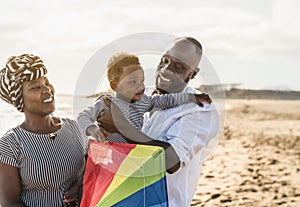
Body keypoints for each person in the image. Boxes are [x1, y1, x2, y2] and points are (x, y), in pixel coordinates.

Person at [97, 37, 220, 207]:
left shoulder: (199, 108)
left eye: (178, 67)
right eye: (165, 60)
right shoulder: (142, 95)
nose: (166, 69)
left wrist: (121, 126)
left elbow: (171, 160)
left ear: (193, 73)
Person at [0, 54, 87, 207]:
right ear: (19, 99)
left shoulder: (75, 128)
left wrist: (79, 185)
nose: (47, 89)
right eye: (35, 87)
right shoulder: (10, 144)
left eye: (46, 82)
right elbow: (10, 203)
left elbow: (94, 167)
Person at [77, 52, 211, 143]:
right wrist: (92, 128)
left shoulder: (144, 101)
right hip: (109, 155)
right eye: (132, 82)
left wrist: (191, 97)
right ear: (115, 86)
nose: (140, 86)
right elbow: (83, 116)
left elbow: (167, 100)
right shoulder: (106, 103)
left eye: (142, 81)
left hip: (131, 155)